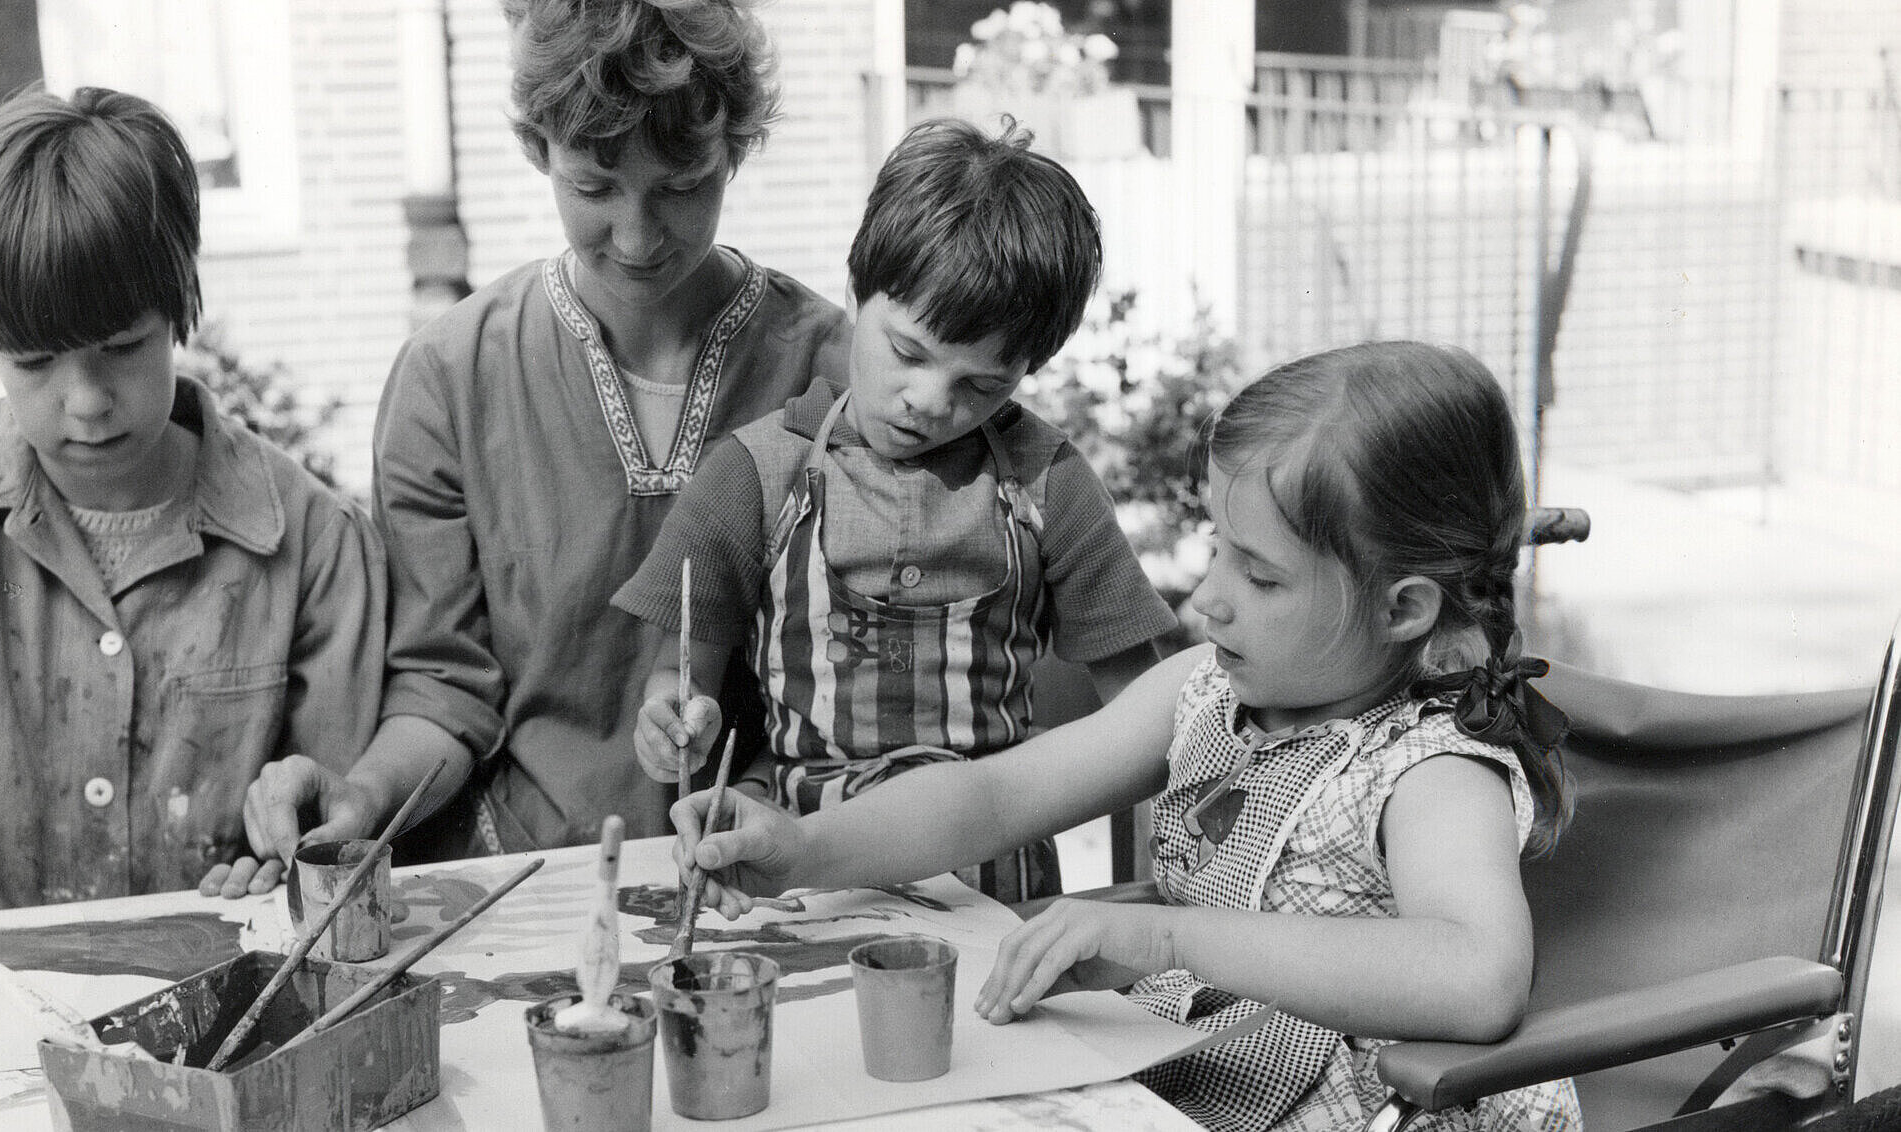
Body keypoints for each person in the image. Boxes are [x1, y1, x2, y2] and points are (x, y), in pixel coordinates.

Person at [671, 341, 1585, 1130]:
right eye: (1218, 548)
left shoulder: (1431, 769)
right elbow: (995, 796)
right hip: (1193, 1086)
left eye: (1261, 577)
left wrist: (1172, 939)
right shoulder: (1204, 692)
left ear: (1402, 609)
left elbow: (1480, 976)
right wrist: (804, 848)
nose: (1209, 597)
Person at [213, 0, 851, 889]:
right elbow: (444, 688)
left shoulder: (832, 371)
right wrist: (363, 796)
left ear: (733, 150)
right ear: (538, 150)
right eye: (593, 188)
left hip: (762, 872)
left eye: (681, 185)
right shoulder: (449, 377)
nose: (636, 236)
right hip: (518, 880)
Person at [615, 117, 1176, 903]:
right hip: (805, 886)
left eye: (982, 385)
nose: (930, 402)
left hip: (994, 893)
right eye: (909, 352)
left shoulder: (1050, 484)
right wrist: (671, 720)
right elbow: (679, 683)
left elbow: (1144, 720)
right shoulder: (754, 476)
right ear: (856, 288)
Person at [0, 86, 386, 915]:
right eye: (36, 362)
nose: (88, 401)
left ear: (180, 305)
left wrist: (284, 865)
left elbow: (329, 823)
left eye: (124, 346)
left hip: (222, 976)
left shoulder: (314, 540)